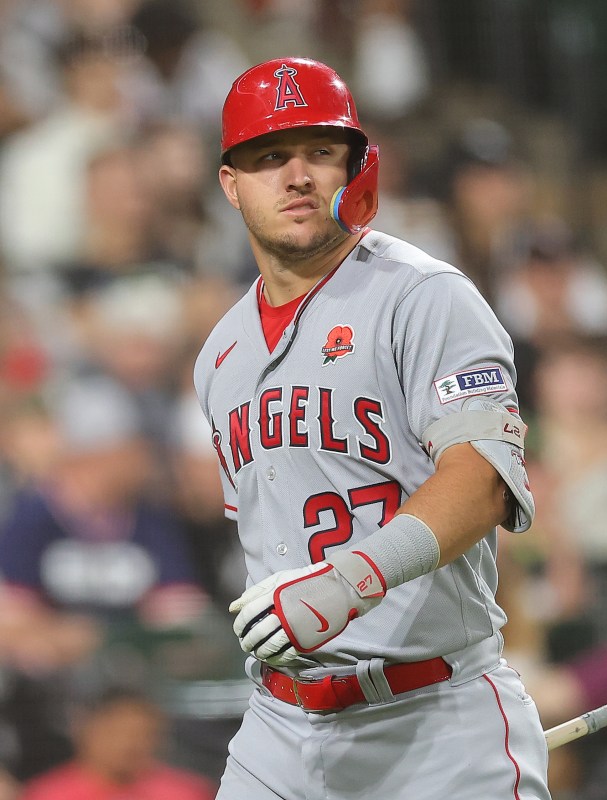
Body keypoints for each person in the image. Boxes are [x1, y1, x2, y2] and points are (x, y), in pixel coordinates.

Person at [193, 58, 551, 800]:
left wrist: (348, 582)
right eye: (270, 157)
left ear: (356, 166)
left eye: (320, 152)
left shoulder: (424, 297)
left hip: (434, 717)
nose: (297, 176)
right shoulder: (219, 355)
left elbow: (481, 481)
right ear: (231, 184)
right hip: (279, 729)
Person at [19, 688, 216, 800]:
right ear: (84, 729)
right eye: (115, 732)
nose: (128, 744)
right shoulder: (47, 794)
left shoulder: (187, 792)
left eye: (142, 734)